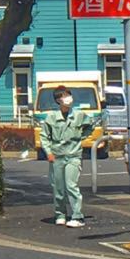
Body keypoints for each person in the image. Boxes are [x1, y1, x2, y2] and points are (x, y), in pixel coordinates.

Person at [41, 85, 89, 227]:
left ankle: (77, 216)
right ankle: (60, 214)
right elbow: (44, 136)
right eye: (64, 96)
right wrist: (48, 152)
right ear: (58, 100)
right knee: (58, 187)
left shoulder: (79, 115)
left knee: (71, 185)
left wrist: (81, 137)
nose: (68, 99)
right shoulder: (51, 118)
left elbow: (90, 125)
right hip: (57, 155)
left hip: (74, 154)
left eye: (68, 95)